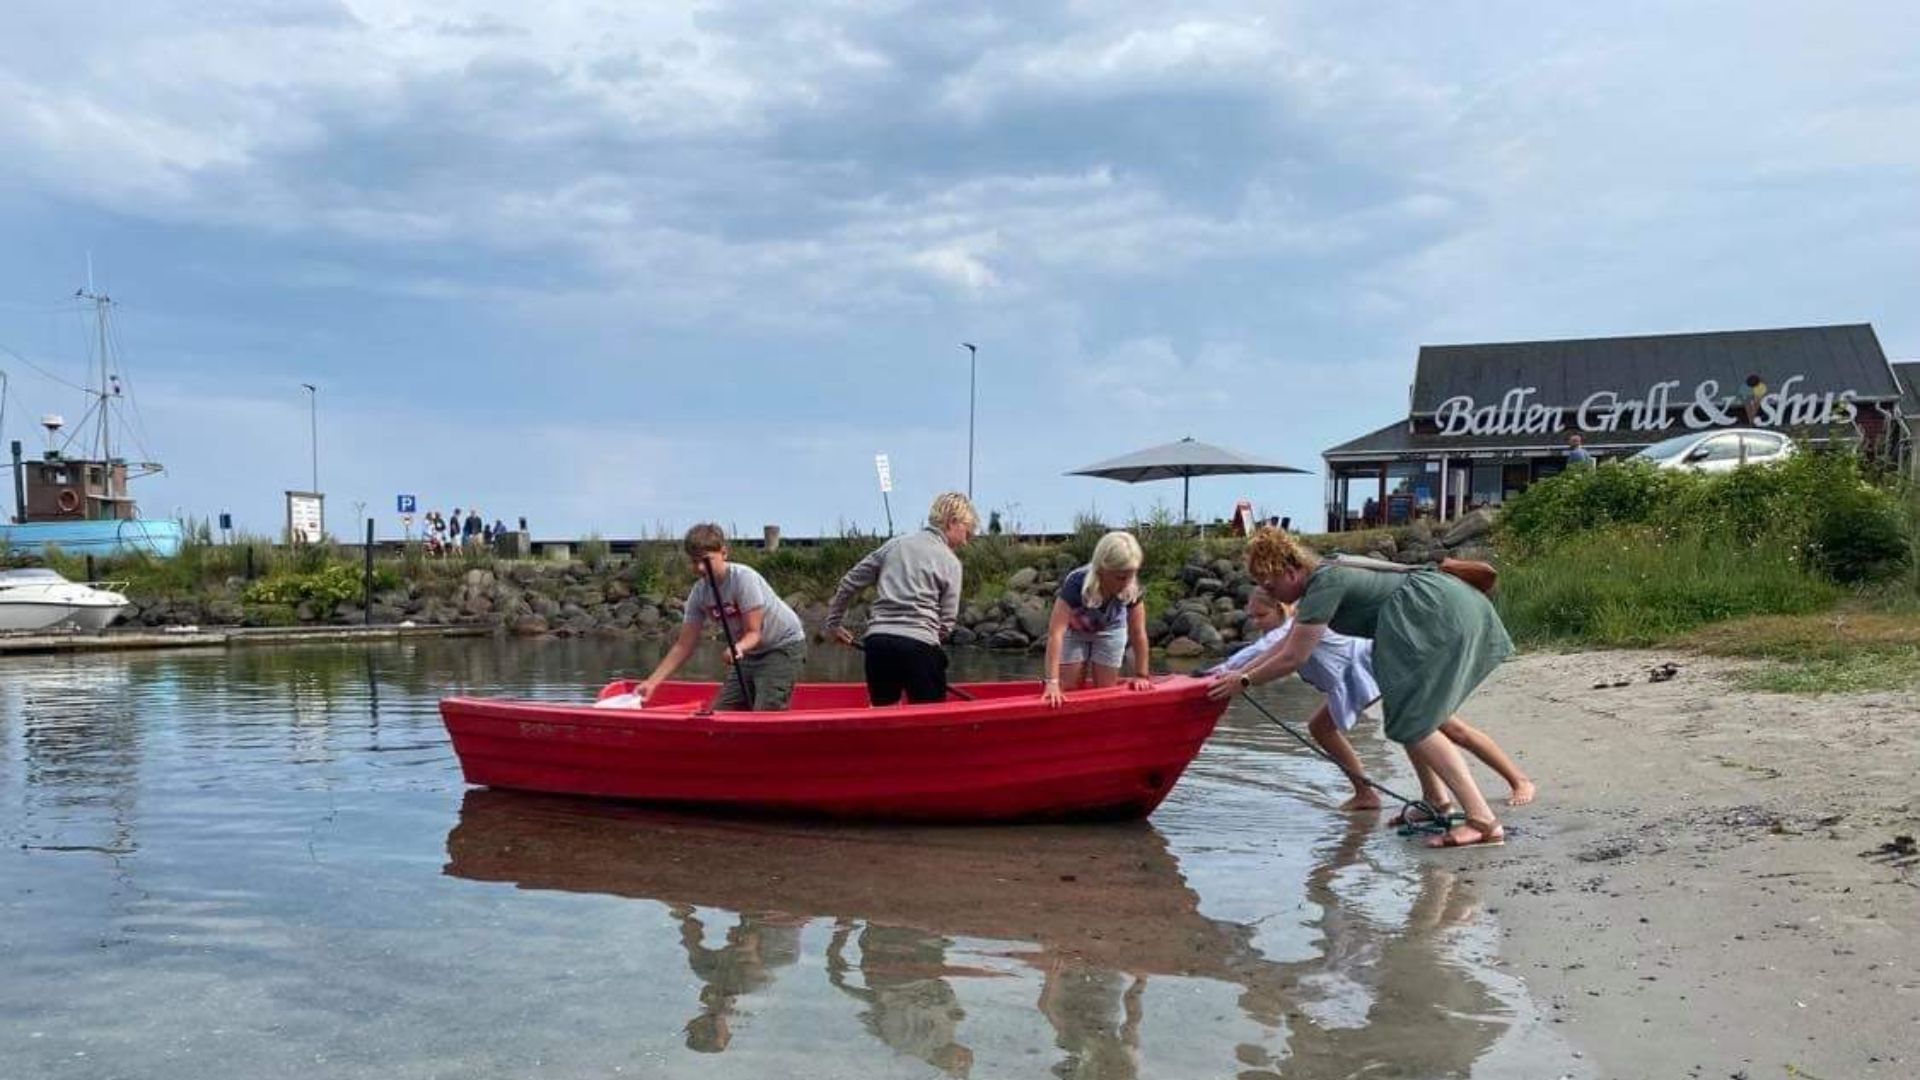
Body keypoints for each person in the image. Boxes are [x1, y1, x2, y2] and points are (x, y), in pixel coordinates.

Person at [1209, 528, 1516, 849]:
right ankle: (1437, 803)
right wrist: (1236, 673)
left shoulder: (1325, 583)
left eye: (1270, 584)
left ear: (1291, 571)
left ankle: (1482, 820)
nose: (1269, 591)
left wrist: (1244, 681)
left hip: (1438, 616)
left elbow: (1293, 656)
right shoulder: (1324, 577)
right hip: (1433, 613)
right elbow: (1286, 642)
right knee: (1408, 719)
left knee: (1416, 724)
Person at [1207, 587, 1535, 813]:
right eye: (1251, 616)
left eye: (1259, 616)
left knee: (1447, 728)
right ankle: (1370, 793)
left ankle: (1518, 780)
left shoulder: (1295, 627)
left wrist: (1212, 675)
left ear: (1281, 608)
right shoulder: (1287, 631)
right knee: (1323, 727)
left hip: (1375, 664)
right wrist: (1221, 672)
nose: (1254, 622)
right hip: (1354, 675)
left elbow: (1259, 653)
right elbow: (1260, 653)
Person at [634, 524, 808, 711]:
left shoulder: (743, 579)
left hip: (781, 645)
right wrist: (652, 682)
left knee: (766, 711)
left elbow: (753, 633)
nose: (700, 567)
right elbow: (683, 645)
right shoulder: (699, 593)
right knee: (721, 713)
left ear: (724, 553)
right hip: (748, 653)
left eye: (706, 560)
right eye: (694, 561)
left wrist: (738, 647)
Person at [826, 492, 975, 705]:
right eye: (967, 533)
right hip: (920, 646)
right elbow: (947, 622)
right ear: (953, 522)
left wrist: (833, 624)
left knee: (882, 715)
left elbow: (849, 582)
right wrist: (928, 642)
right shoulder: (950, 561)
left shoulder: (894, 545)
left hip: (878, 644)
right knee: (930, 723)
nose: (966, 541)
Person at [1040, 531, 1153, 707]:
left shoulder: (1131, 587)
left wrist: (1141, 675)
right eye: (1121, 577)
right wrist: (1052, 683)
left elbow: (1138, 633)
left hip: (1111, 629)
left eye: (1132, 575)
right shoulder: (1077, 583)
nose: (1127, 582)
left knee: (1106, 690)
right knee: (1068, 686)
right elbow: (1056, 633)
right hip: (1075, 630)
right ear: (1102, 570)